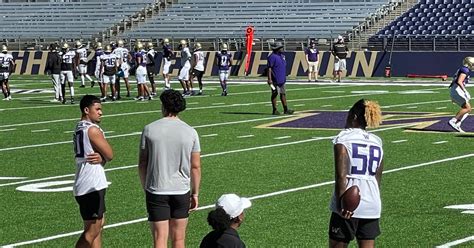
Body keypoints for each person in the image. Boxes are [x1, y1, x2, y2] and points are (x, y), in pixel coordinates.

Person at [138, 89, 201, 248]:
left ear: (164, 106)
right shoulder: (190, 132)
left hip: (157, 189)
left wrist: (146, 187)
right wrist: (195, 193)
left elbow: (142, 163)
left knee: (160, 239)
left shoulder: (150, 129)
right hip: (181, 189)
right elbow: (195, 166)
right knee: (179, 239)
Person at [328, 99, 384, 248]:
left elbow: (341, 176)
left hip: (348, 203)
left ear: (353, 117)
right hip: (372, 202)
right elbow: (377, 178)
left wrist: (341, 205)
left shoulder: (343, 139)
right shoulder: (377, 141)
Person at [73, 95, 113, 248]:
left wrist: (101, 158)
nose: (100, 112)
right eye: (97, 109)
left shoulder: (79, 126)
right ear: (86, 110)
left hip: (83, 179)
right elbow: (110, 154)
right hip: (92, 183)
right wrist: (103, 157)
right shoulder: (92, 130)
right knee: (93, 228)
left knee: (96, 225)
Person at [267, 41, 293, 115]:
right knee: (275, 93)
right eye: (280, 47)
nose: (282, 48)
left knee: (283, 93)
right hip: (275, 79)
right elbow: (269, 68)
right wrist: (269, 79)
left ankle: (286, 109)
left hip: (282, 78)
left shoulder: (282, 56)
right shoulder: (272, 57)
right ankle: (274, 109)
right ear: (277, 49)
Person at [448, 56, 473, 133]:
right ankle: (453, 121)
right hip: (457, 90)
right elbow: (459, 81)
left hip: (455, 90)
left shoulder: (464, 69)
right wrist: (465, 91)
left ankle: (457, 123)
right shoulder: (465, 70)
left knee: (468, 109)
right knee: (467, 108)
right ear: (470, 64)